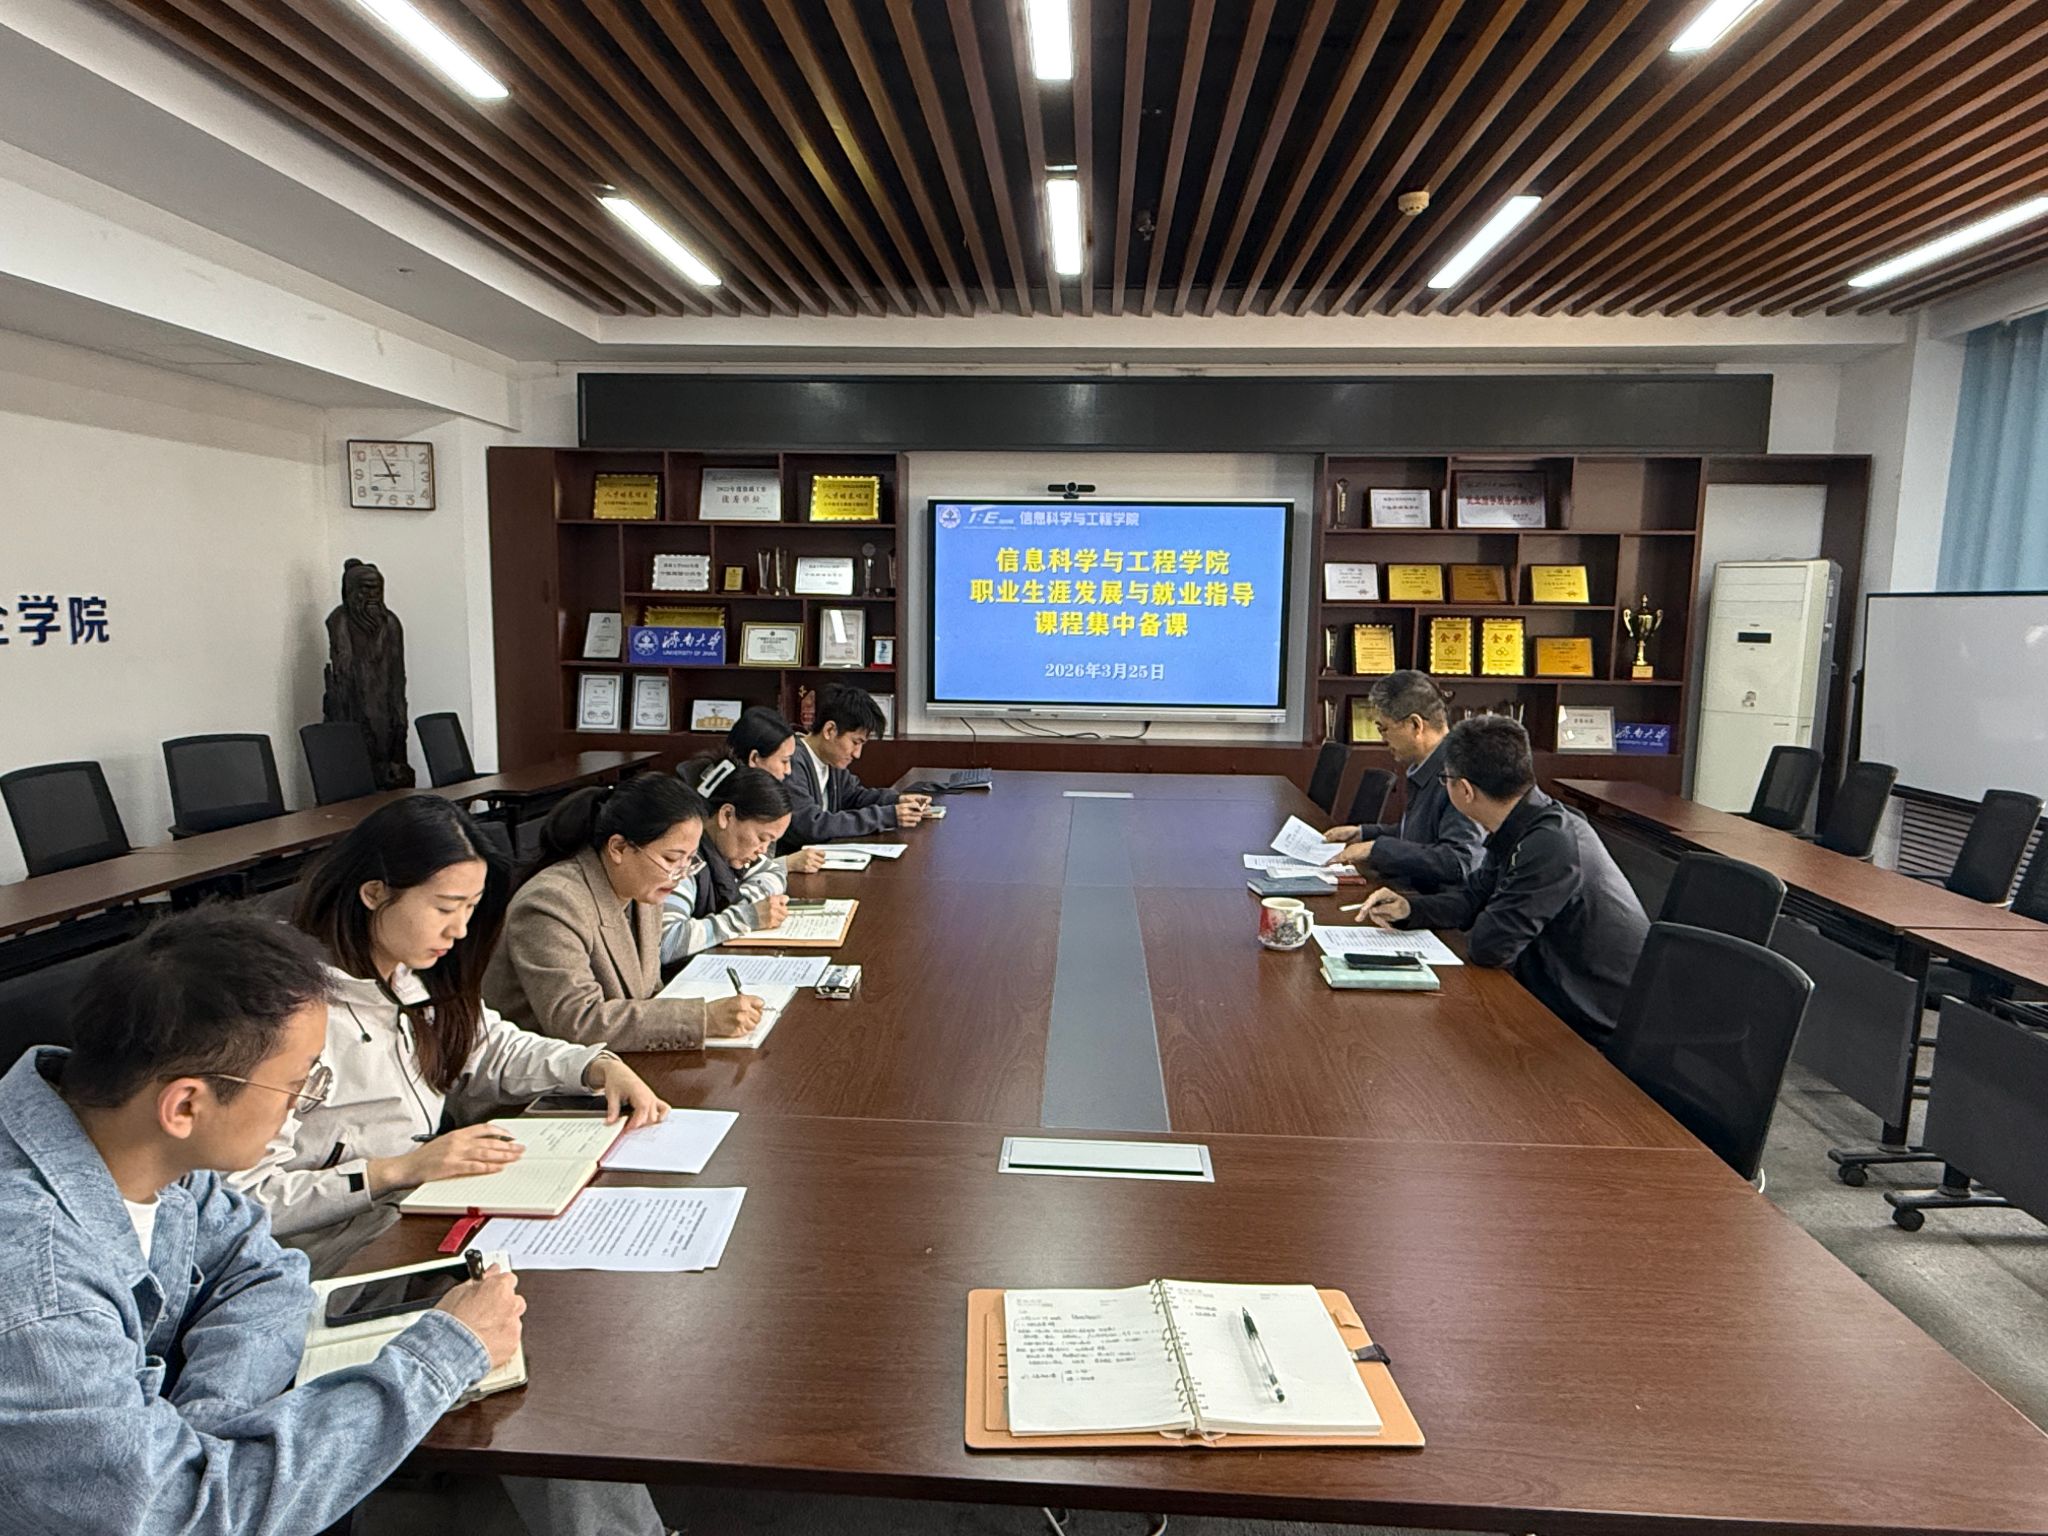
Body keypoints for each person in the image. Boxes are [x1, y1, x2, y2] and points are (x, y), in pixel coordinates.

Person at [0, 906, 524, 1534]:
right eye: (298, 1084)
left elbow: (264, 1270)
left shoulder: (131, 1136)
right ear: (186, 1105)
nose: (304, 1105)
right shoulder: (40, 1289)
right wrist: (442, 1357)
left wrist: (207, 1426)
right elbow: (186, 1516)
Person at [235, 795, 669, 1277]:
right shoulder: (287, 1015)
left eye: (471, 908)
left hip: (413, 1211)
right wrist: (396, 1170)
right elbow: (245, 1199)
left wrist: (592, 1065)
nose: (460, 930)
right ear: (374, 893)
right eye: (445, 908)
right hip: (329, 1257)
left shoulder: (412, 974)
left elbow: (489, 1047)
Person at [1355, 715, 1649, 1045]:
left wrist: (1478, 914)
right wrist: (1410, 909)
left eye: (1445, 779)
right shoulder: (1524, 822)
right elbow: (1472, 898)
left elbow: (1490, 947)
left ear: (1464, 790)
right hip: (1553, 998)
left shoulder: (1551, 843)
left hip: (1589, 1027)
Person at [485, 774, 764, 1049]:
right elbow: (578, 1021)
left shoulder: (643, 890)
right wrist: (703, 1018)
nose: (680, 875)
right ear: (618, 847)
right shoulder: (552, 903)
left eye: (690, 860)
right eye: (671, 858)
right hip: (548, 1071)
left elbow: (648, 992)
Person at [1322, 670, 1484, 892]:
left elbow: (1459, 861)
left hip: (1438, 904)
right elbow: (1421, 836)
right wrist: (1364, 833)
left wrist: (1377, 849)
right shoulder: (1429, 763)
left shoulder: (1457, 775)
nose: (1382, 738)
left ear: (1415, 725)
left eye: (1384, 728)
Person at [661, 758, 796, 964]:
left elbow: (774, 872)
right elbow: (667, 942)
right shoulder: (685, 858)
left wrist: (744, 903)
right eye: (762, 838)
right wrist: (746, 917)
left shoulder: (729, 852)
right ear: (727, 815)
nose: (763, 850)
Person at [780, 683, 930, 852]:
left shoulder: (831, 761)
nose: (857, 754)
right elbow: (811, 825)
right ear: (830, 730)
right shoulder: (789, 762)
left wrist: (897, 800)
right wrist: (887, 816)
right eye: (855, 742)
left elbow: (855, 797)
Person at [719, 706, 827, 874]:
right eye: (784, 761)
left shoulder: (762, 792)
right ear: (754, 758)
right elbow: (732, 874)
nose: (788, 770)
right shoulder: (731, 799)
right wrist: (786, 864)